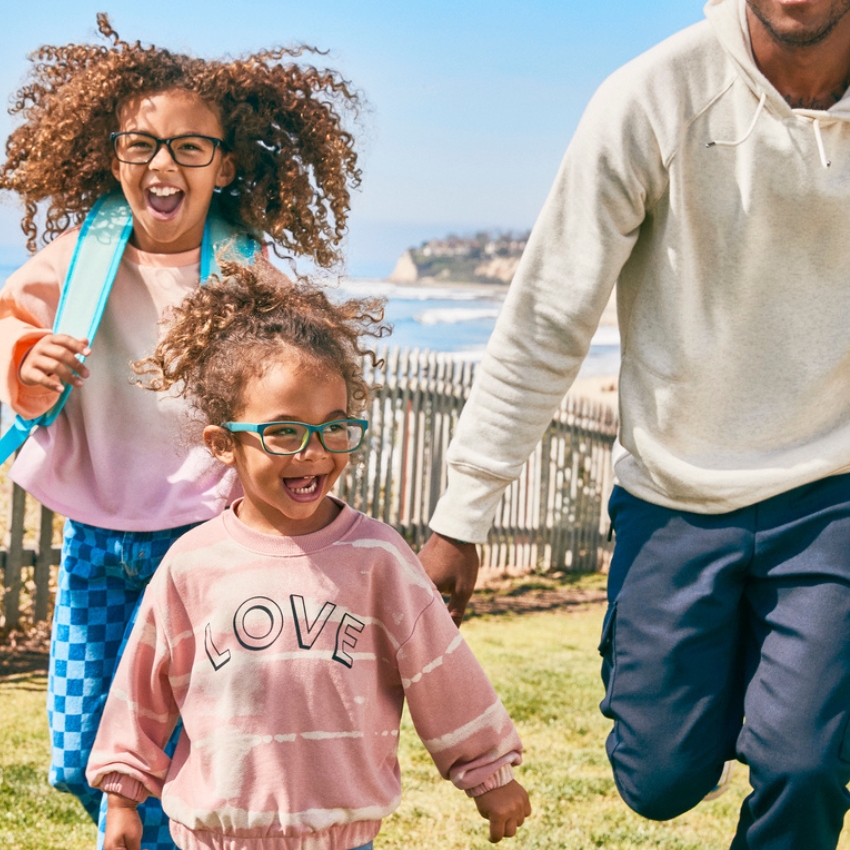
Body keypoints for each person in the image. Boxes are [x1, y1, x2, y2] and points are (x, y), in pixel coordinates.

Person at [419, 0, 850, 847]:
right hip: (674, 492)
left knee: (806, 764)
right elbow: (549, 315)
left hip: (832, 492)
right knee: (658, 778)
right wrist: (462, 516)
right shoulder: (652, 96)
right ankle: (761, 682)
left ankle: (798, 704)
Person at [0, 15, 361, 850]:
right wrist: (28, 356)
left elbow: (296, 383)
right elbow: (8, 322)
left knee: (161, 739)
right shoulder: (80, 254)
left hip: (199, 541)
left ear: (225, 165)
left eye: (191, 148)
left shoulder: (248, 275)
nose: (163, 166)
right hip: (97, 537)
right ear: (113, 155)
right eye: (142, 145)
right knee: (75, 754)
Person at [83, 262, 532, 850]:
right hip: (213, 836)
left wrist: (487, 772)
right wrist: (122, 797)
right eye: (284, 433)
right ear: (223, 444)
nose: (313, 452)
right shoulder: (191, 565)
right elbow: (143, 687)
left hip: (341, 838)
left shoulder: (378, 558)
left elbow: (441, 669)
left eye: (333, 427)